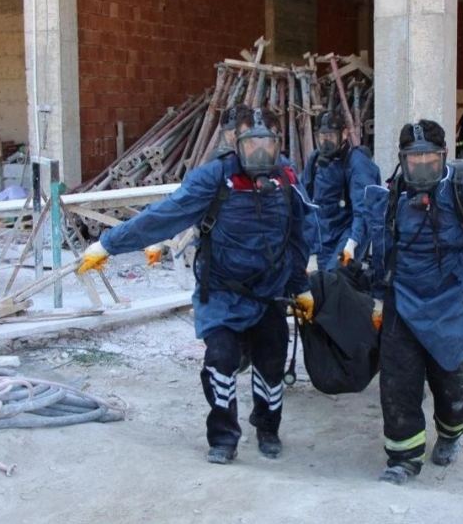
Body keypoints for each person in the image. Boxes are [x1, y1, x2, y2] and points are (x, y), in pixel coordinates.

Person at [79, 107, 315, 465]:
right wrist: (108, 244)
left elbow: (301, 232)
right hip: (221, 291)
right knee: (221, 359)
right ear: (236, 141)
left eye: (268, 143)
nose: (260, 152)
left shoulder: (287, 179)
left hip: (270, 290)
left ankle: (268, 427)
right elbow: (165, 215)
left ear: (279, 143)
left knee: (272, 360)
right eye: (252, 142)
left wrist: (300, 285)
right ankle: (223, 437)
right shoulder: (214, 179)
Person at [352, 119, 463, 485]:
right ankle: (403, 459)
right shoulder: (392, 195)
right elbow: (383, 253)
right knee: (398, 384)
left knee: (454, 387)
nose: (421, 168)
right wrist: (378, 301)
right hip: (404, 300)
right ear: (402, 160)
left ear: (444, 156)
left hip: (455, 303)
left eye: (429, 160)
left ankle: (451, 432)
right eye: (412, 160)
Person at [301, 110, 381, 271]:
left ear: (344, 134)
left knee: (336, 277)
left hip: (349, 231)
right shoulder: (315, 159)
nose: (326, 143)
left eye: (331, 137)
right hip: (323, 233)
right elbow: (305, 197)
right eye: (322, 138)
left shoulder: (357, 164)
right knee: (319, 282)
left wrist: (352, 242)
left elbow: (364, 210)